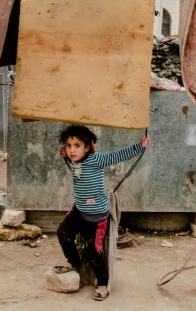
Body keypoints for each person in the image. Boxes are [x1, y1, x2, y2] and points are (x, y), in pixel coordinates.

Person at [53, 125, 150, 301]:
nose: (72, 150)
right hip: (79, 209)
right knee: (63, 232)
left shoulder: (96, 160)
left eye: (77, 145)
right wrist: (64, 153)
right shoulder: (71, 160)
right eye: (68, 145)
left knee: (93, 250)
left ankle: (103, 284)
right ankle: (73, 261)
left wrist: (140, 146)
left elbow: (118, 155)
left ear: (88, 147)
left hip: (96, 216)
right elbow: (67, 156)